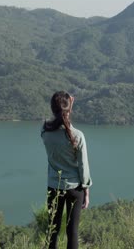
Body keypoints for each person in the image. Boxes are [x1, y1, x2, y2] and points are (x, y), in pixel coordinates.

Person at [41, 91, 92, 249]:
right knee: (73, 232)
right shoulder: (78, 136)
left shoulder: (45, 132)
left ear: (52, 109)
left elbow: (59, 121)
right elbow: (83, 165)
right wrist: (86, 190)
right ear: (68, 109)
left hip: (54, 188)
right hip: (75, 189)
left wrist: (68, 108)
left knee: (52, 231)